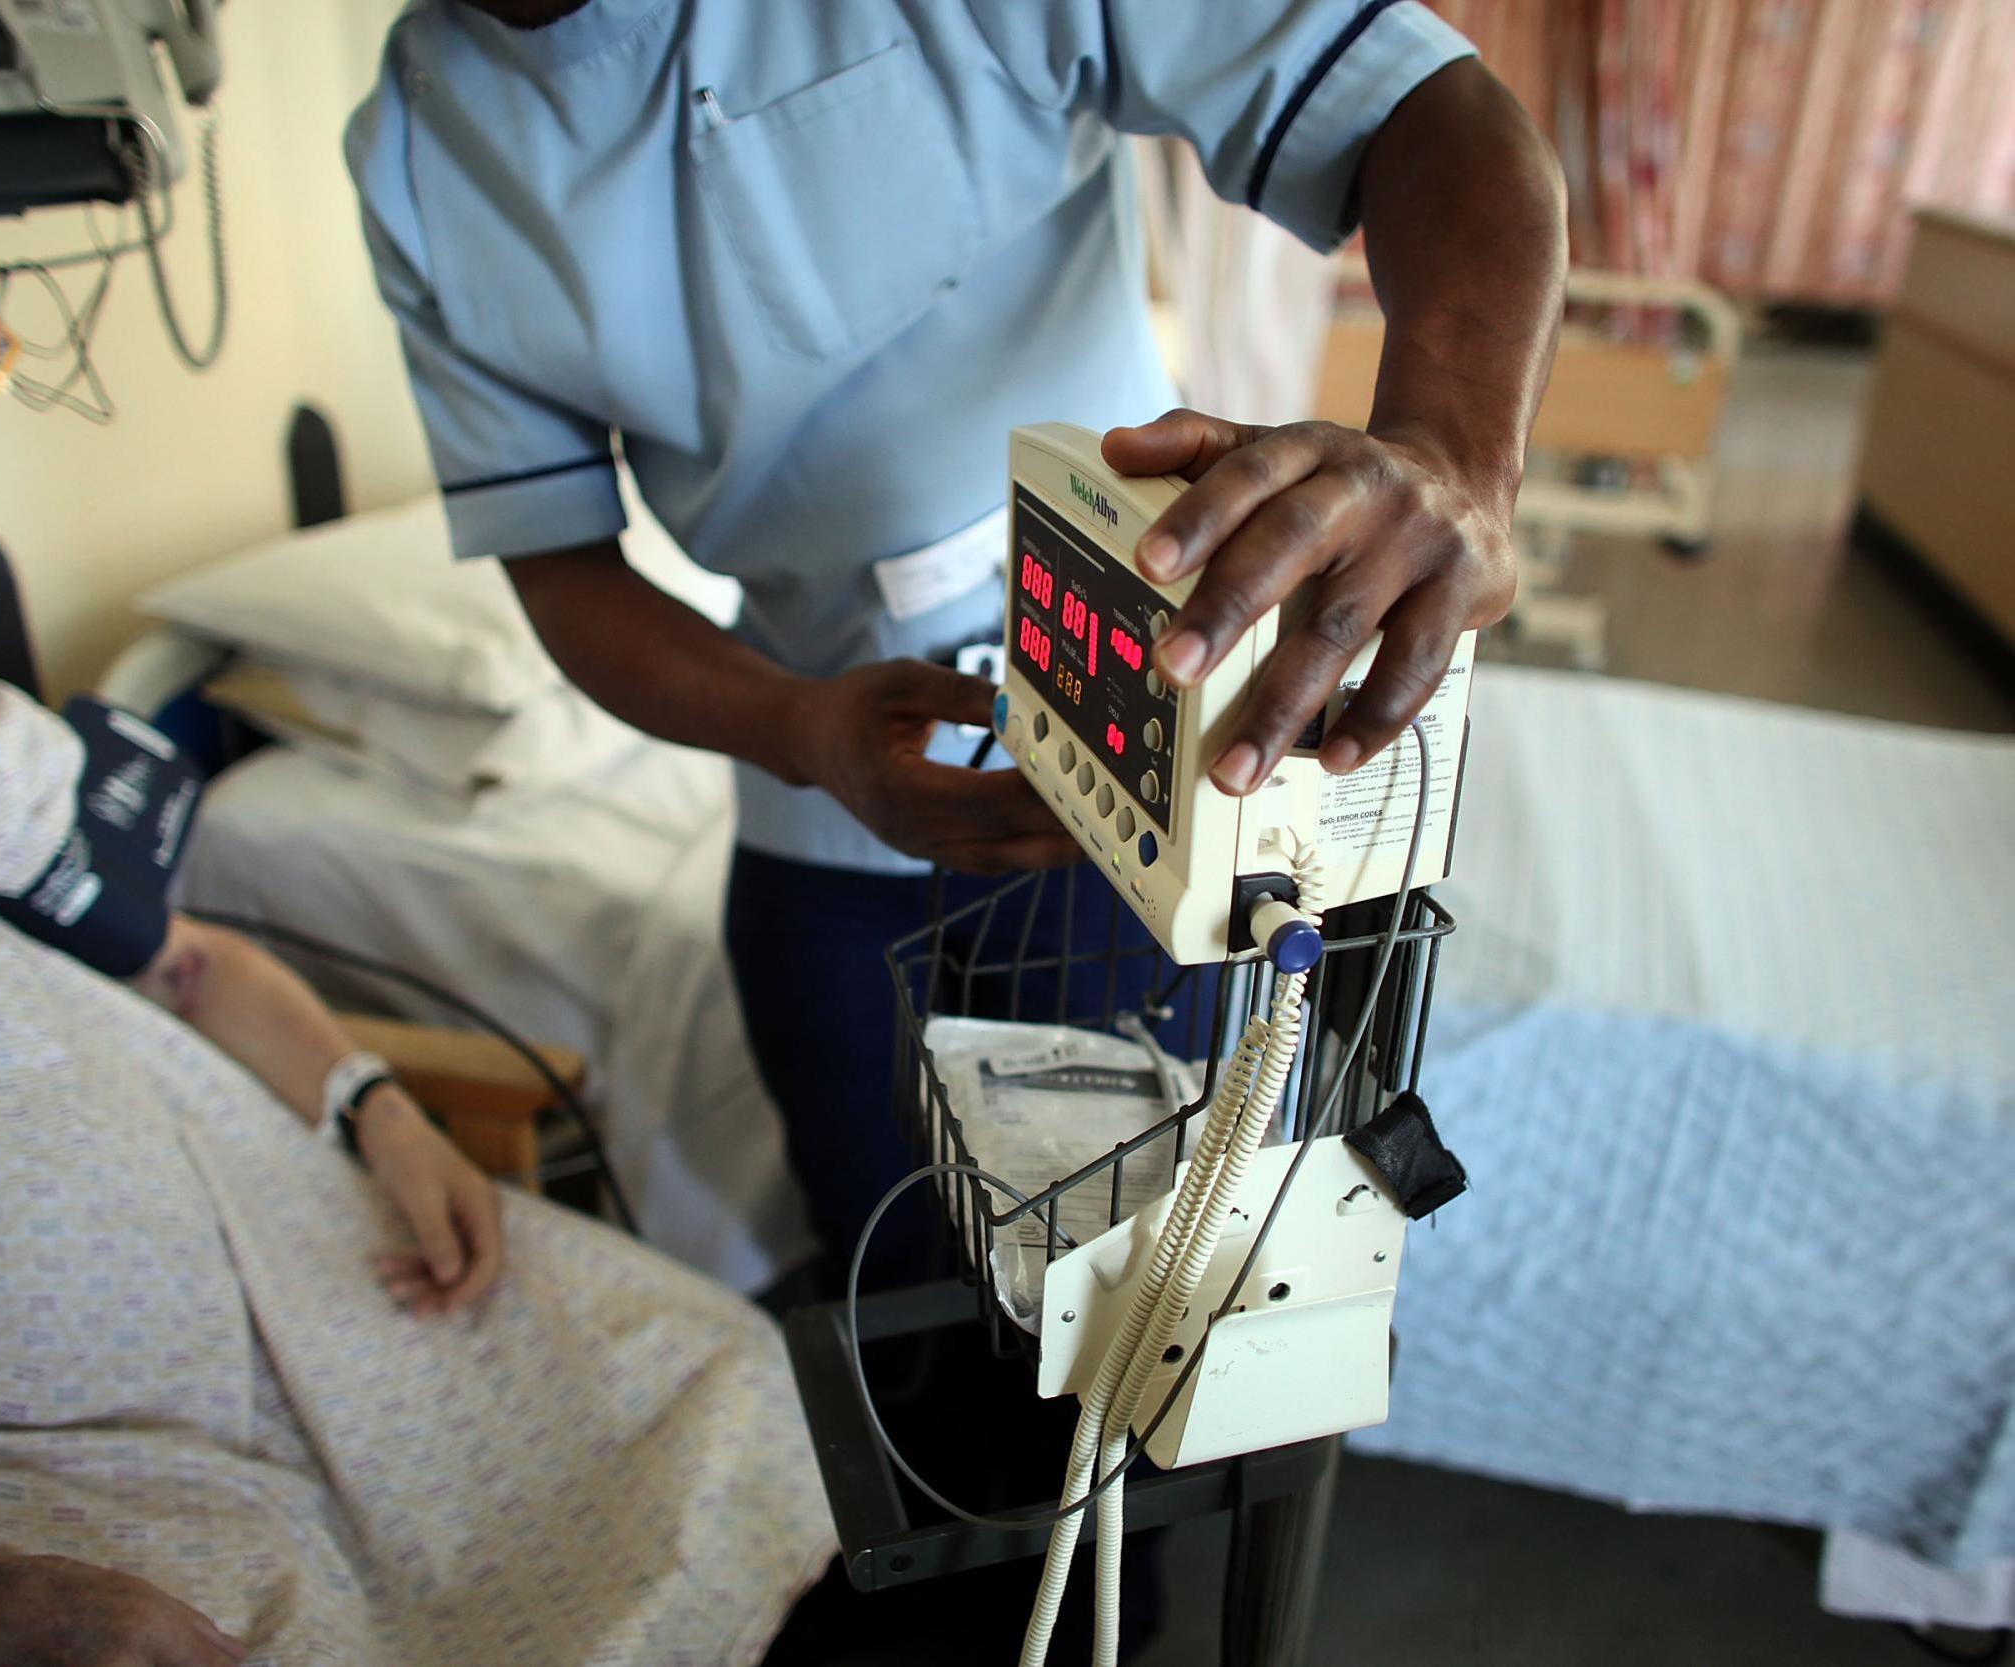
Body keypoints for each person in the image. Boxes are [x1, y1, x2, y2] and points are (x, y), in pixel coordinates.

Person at [345, 0, 1566, 1289]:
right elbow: (556, 560)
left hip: (1139, 728)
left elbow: (1431, 109)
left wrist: (1454, 449)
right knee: (888, 1285)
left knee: (1160, 1292)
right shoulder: (421, 150)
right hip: (816, 785)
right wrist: (799, 732)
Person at [0, 651, 833, 1665]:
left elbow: (185, 963)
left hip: (297, 1263)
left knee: (725, 1381)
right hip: (18, 1472)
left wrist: (380, 1112)